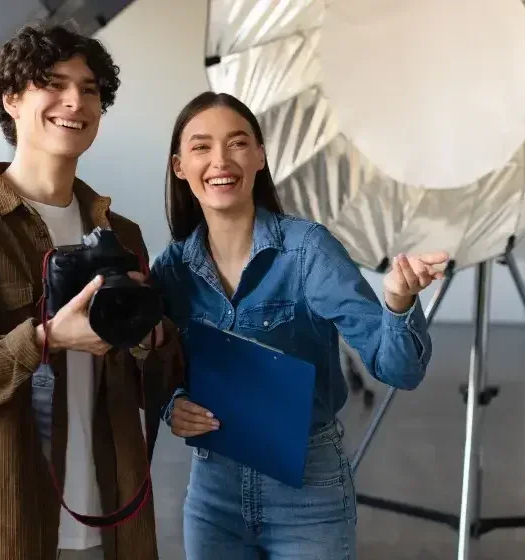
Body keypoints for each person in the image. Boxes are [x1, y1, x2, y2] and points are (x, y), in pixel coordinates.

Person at [0, 24, 182, 560]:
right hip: (3, 528)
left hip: (112, 521)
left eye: (90, 88)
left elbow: (150, 383)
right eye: (53, 83)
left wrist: (154, 338)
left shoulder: (122, 235)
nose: (75, 99)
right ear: (12, 99)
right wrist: (45, 339)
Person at [150, 91, 448, 559]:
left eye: (238, 143)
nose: (221, 160)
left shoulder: (308, 250)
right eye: (201, 147)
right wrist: (172, 404)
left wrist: (397, 300)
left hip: (309, 490)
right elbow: (152, 362)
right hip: (213, 491)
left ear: (260, 156)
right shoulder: (171, 268)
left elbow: (399, 370)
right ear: (179, 166)